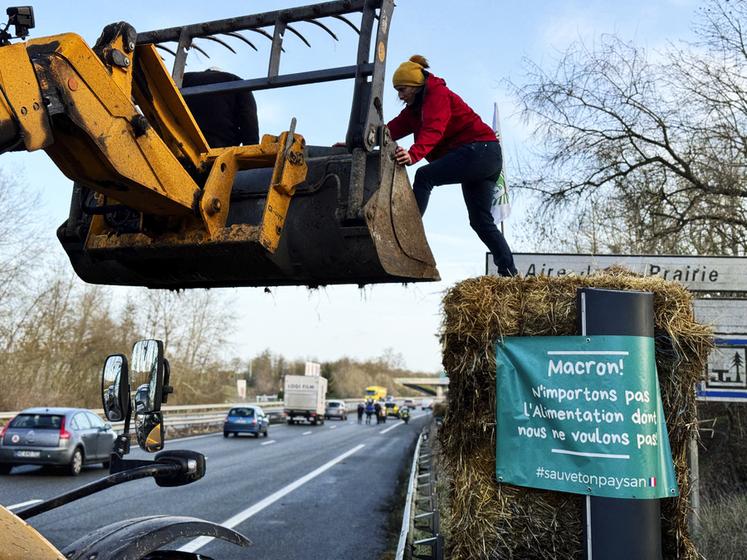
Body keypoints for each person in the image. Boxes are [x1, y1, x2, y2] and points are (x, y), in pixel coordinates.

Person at [386, 55, 518, 277]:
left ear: (416, 86)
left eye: (403, 89)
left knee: (424, 176)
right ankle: (509, 273)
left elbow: (434, 128)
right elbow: (392, 129)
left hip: (481, 150)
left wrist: (413, 154)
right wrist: (362, 140)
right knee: (480, 221)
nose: (400, 95)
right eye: (397, 90)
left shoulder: (437, 95)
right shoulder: (414, 109)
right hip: (484, 157)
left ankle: (407, 233)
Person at [182, 68, 259, 148]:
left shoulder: (183, 78)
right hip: (218, 145)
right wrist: (251, 148)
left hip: (180, 138)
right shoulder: (236, 82)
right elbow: (248, 116)